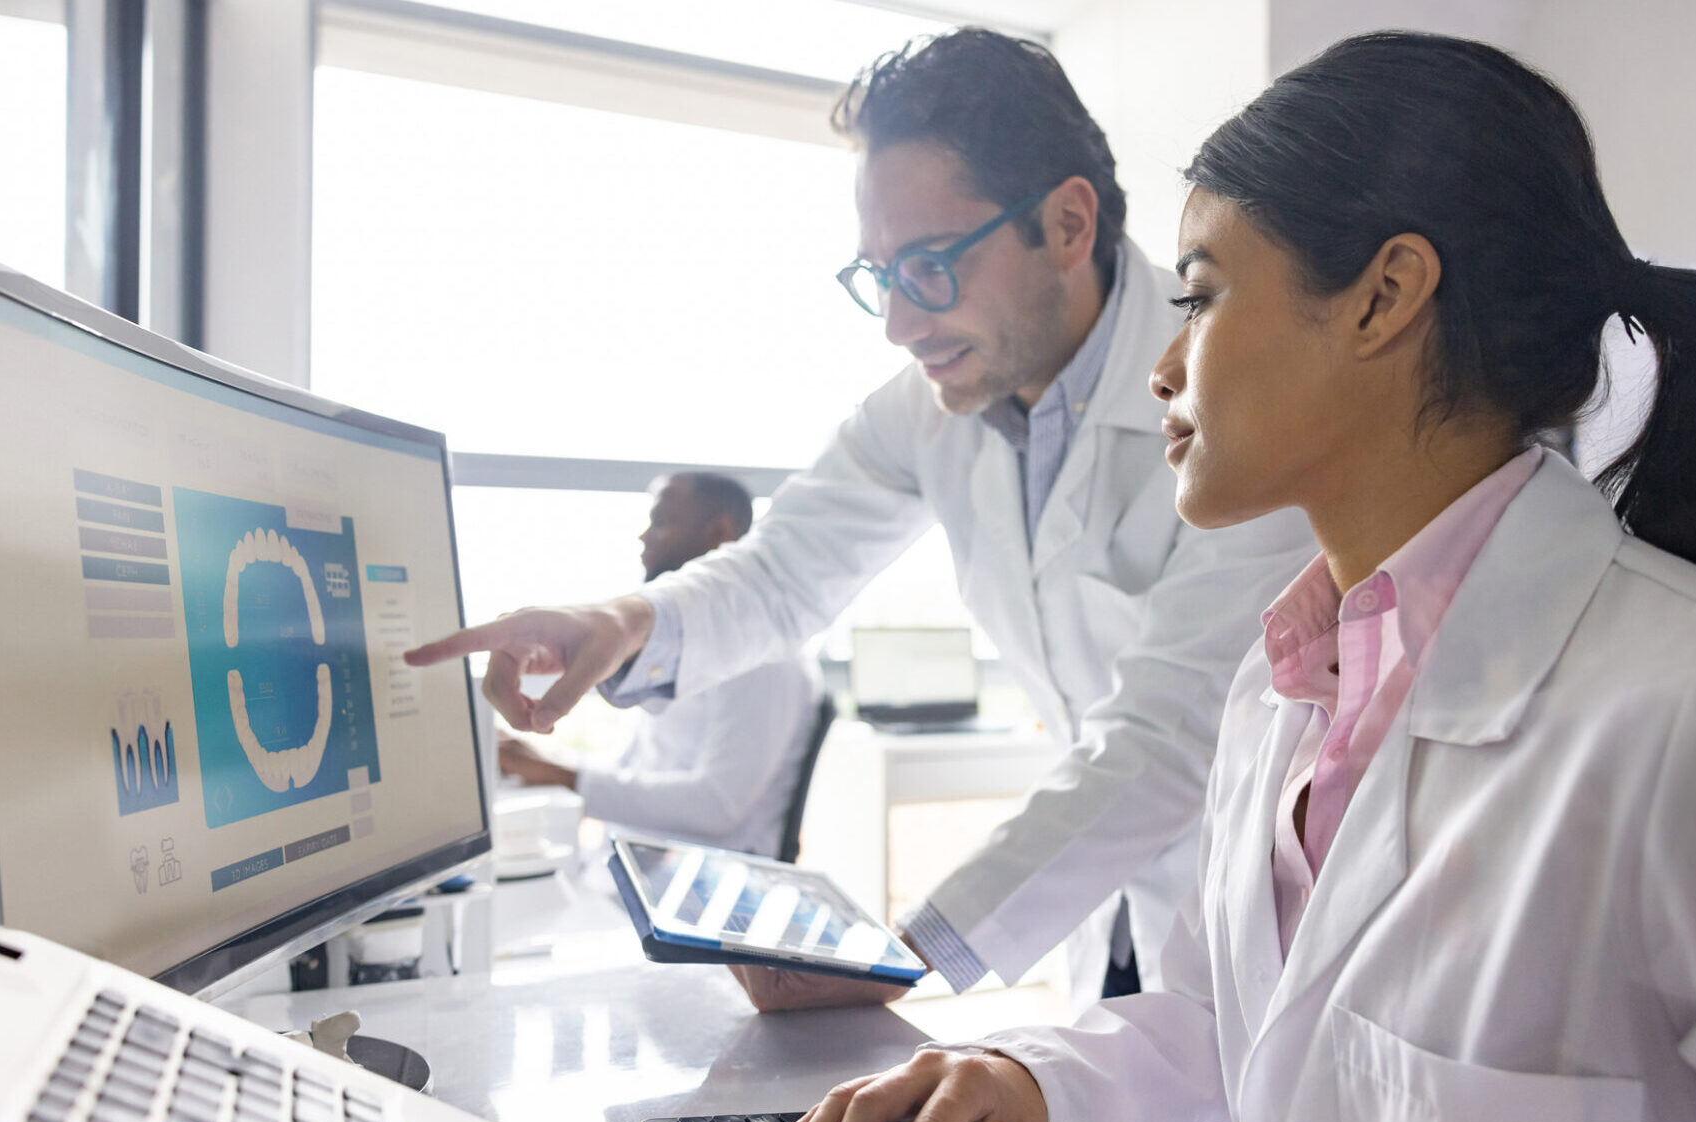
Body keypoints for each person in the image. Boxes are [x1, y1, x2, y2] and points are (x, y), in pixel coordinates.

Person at [773, 31, 1696, 1122]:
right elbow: (1253, 1027)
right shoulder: (1284, 691)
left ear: (1383, 294)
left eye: (1198, 295)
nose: (1159, 363)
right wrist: (1032, 1076)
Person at [406, 28, 1313, 1010]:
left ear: (1063, 222)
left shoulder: (1238, 397)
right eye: (879, 275)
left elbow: (1168, 733)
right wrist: (624, 621)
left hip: (1255, 915)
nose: (898, 322)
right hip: (1105, 932)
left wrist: (899, 950)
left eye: (928, 266)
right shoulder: (932, 406)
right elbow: (782, 568)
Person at [498, 472, 820, 859]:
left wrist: (566, 778)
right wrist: (541, 762)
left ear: (719, 533)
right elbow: (637, 763)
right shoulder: (683, 647)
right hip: (639, 865)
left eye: (662, 522)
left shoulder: (767, 659)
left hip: (703, 887)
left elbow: (716, 808)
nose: (644, 537)